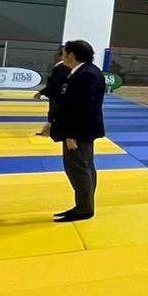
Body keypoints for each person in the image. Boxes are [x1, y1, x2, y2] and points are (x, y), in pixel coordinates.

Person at [48, 40, 105, 222]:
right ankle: (84, 205)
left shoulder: (86, 75)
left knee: (79, 168)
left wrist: (72, 135)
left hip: (79, 131)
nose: (61, 55)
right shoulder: (83, 72)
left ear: (72, 55)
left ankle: (84, 208)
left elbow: (83, 108)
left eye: (64, 52)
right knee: (84, 167)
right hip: (79, 129)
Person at [33, 52, 71, 138]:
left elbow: (55, 83)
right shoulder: (62, 67)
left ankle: (52, 131)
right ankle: (50, 131)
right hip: (58, 94)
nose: (55, 58)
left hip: (57, 95)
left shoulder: (62, 68)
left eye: (56, 56)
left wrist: (42, 92)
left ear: (61, 56)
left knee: (54, 113)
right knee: (53, 113)